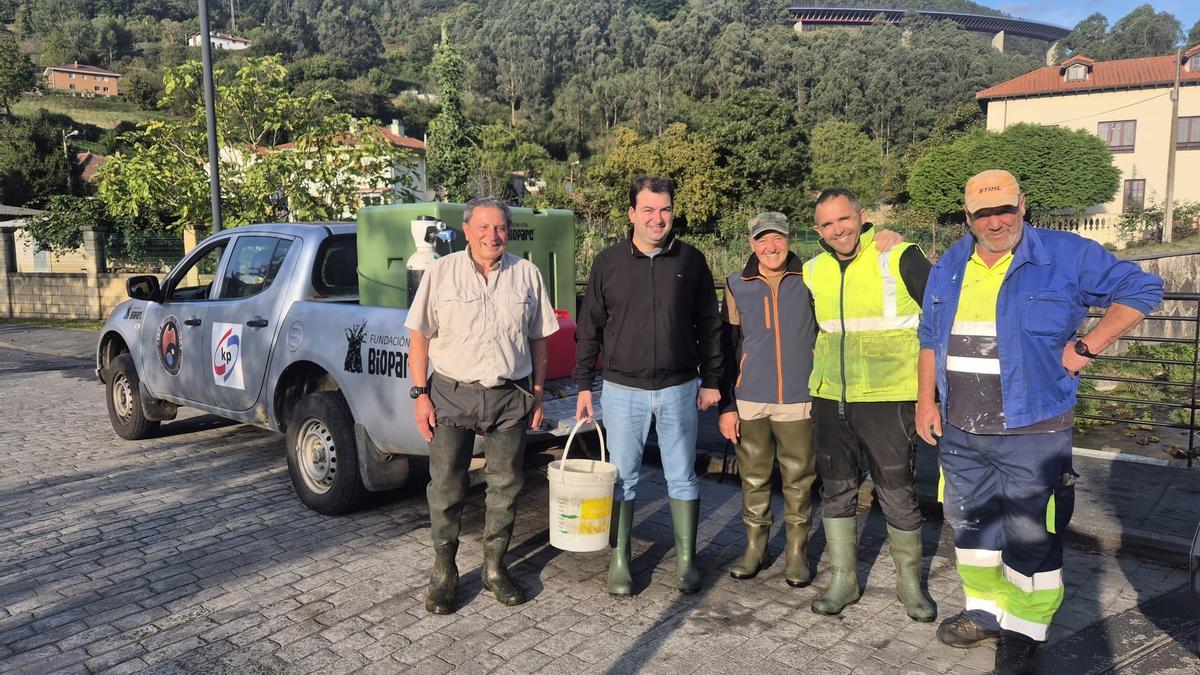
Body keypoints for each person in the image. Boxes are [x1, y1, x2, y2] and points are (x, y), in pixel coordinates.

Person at [916, 170, 1163, 674]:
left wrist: (1085, 348)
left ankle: (1024, 629)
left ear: (1022, 206)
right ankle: (985, 612)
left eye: (1004, 209)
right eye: (983, 213)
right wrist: (926, 401)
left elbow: (1142, 289)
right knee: (970, 527)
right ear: (969, 217)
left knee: (1032, 533)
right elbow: (927, 336)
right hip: (961, 430)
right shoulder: (950, 266)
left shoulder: (1064, 254)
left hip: (1034, 431)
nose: (996, 220)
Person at [405, 196, 560, 615]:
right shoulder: (442, 273)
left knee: (506, 486)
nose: (494, 236)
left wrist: (540, 392)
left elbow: (539, 340)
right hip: (452, 392)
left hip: (509, 394)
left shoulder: (526, 274)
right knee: (446, 486)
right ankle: (444, 573)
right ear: (468, 229)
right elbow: (419, 336)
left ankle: (494, 568)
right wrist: (420, 396)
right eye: (484, 228)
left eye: (501, 228)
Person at [574, 175, 723, 596]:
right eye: (649, 210)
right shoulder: (608, 263)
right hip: (623, 391)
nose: (658, 219)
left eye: (665, 210)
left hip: (679, 387)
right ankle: (620, 560)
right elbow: (589, 329)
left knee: (682, 477)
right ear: (631, 214)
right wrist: (585, 383)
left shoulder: (691, 261)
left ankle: (687, 561)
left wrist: (712, 380)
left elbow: (709, 326)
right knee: (623, 479)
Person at [803, 188, 936, 622]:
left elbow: (941, 312)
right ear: (818, 230)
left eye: (844, 219)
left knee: (896, 491)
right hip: (830, 396)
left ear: (862, 217)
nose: (837, 230)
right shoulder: (813, 270)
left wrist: (931, 393)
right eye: (827, 224)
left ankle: (910, 584)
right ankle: (843, 580)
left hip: (889, 397)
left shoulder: (897, 255)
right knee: (836, 488)